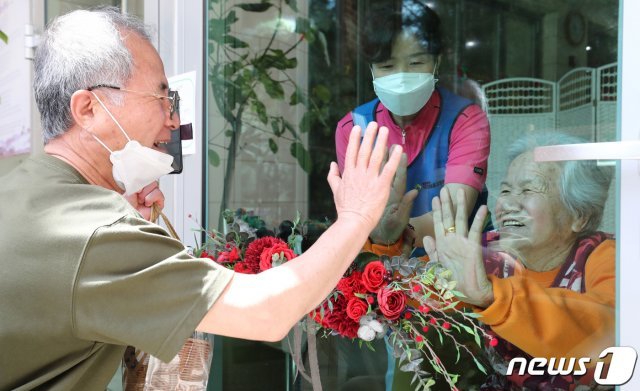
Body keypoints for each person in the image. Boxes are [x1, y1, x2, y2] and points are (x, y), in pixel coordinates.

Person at [0, 7, 403, 390]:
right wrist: (355, 217)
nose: (173, 121)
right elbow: (266, 311)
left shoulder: (22, 187)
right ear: (88, 108)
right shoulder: (93, 231)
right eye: (161, 98)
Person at [424, 133, 614, 390]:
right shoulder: (480, 253)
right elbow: (404, 294)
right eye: (505, 190)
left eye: (528, 190)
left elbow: (611, 332)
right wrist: (386, 243)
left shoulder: (603, 255)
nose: (507, 205)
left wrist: (493, 297)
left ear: (579, 215)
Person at [335, 0, 491, 252]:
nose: (402, 76)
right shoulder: (353, 129)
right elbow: (353, 216)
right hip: (380, 268)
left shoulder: (465, 120)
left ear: (437, 61)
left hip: (454, 265)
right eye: (387, 66)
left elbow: (454, 216)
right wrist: (380, 235)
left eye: (416, 63)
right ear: (371, 69)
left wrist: (393, 233)